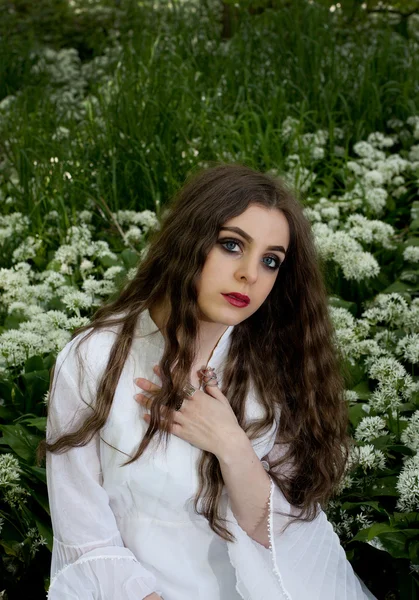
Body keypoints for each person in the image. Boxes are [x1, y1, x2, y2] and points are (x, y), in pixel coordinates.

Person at [38, 163, 377, 599]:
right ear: (189, 239)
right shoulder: (93, 359)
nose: (250, 275)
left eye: (270, 261)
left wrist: (231, 445)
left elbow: (283, 538)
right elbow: (84, 536)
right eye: (232, 245)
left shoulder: (276, 369)